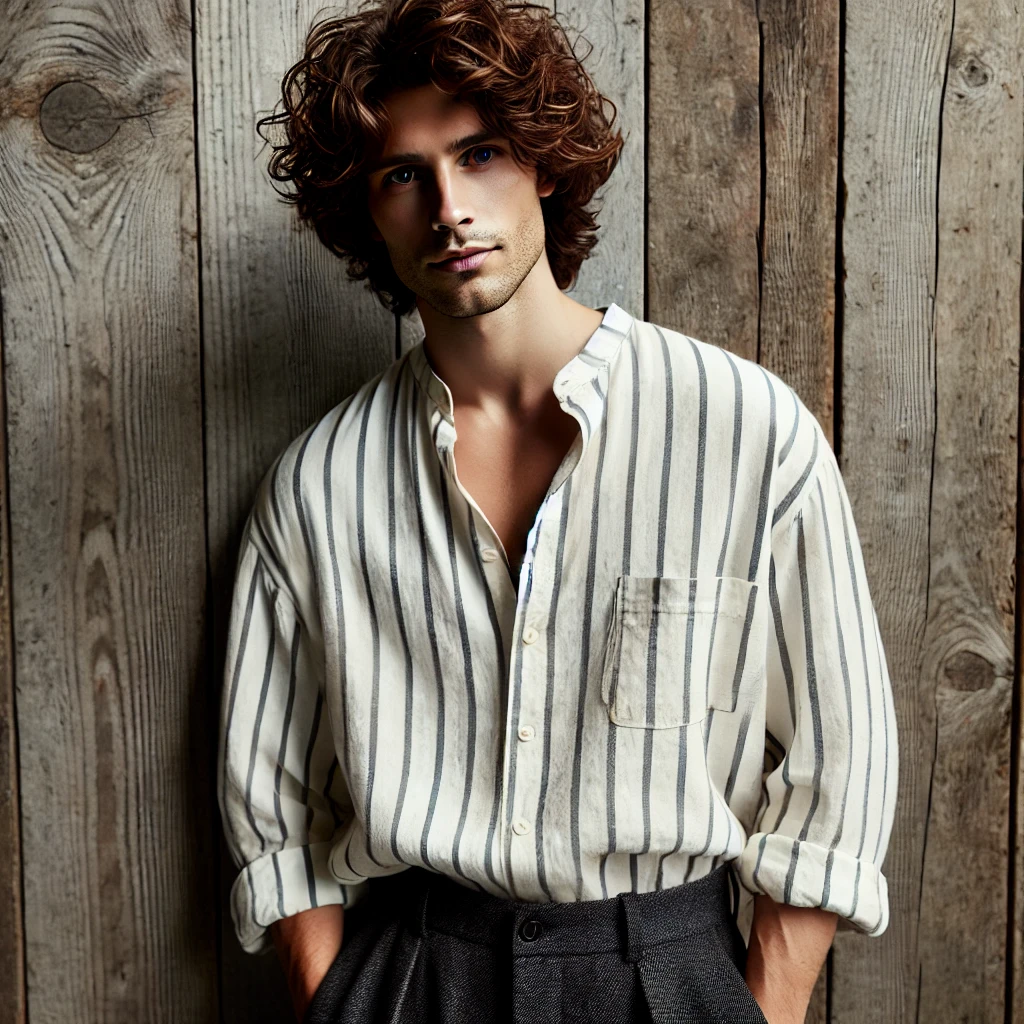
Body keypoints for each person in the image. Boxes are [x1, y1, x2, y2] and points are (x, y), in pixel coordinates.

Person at [216, 0, 900, 1021]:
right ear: (368, 209)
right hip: (414, 968)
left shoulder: (748, 433)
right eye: (403, 175)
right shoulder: (318, 485)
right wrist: (339, 1000)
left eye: (479, 152)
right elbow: (272, 807)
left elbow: (838, 766)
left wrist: (761, 1005)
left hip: (666, 968)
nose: (448, 206)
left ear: (541, 161)